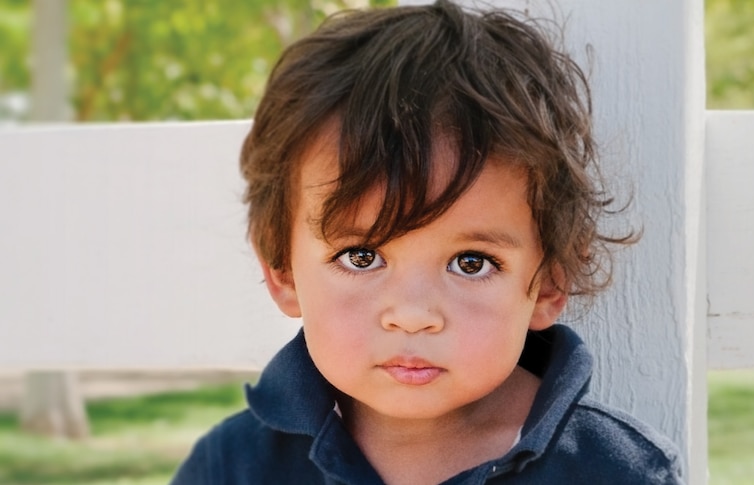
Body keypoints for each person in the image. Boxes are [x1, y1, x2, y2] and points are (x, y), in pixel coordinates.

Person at [171, 0, 683, 483]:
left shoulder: (616, 471)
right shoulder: (231, 467)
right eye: (362, 256)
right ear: (283, 273)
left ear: (550, 281)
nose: (413, 314)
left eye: (470, 262)